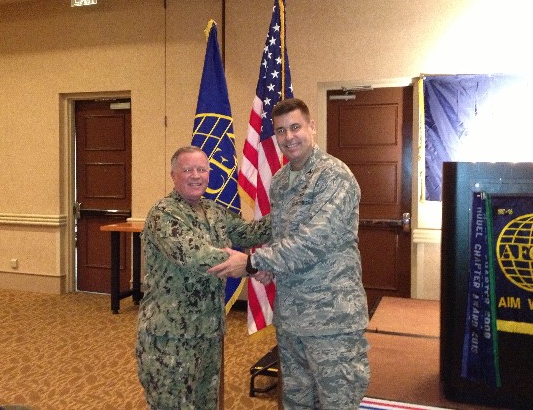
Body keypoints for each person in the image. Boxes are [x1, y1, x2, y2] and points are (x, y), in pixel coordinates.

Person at [208, 98, 370, 409]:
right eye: (281, 131)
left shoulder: (334, 176)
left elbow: (312, 241)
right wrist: (267, 266)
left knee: (338, 402)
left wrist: (253, 262)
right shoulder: (281, 181)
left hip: (330, 318)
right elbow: (282, 232)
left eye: (295, 127)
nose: (289, 137)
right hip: (292, 316)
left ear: (312, 127)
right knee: (296, 401)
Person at [135, 145, 271, 410]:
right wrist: (252, 266)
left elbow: (248, 233)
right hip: (171, 338)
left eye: (201, 169)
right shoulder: (163, 214)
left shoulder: (213, 211)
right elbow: (197, 256)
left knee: (205, 403)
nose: (196, 175)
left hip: (208, 334)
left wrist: (287, 215)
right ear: (174, 175)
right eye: (187, 170)